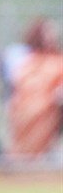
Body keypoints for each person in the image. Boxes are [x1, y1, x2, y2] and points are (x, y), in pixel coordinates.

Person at [8, 17, 63, 158]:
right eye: (48, 32)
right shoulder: (25, 61)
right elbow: (21, 85)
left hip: (53, 106)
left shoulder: (57, 60)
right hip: (27, 106)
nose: (53, 35)